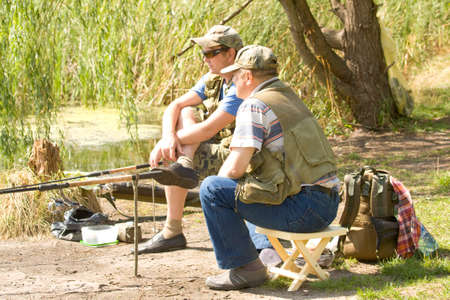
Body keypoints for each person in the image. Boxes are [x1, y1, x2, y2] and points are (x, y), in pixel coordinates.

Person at [199, 45, 340, 290]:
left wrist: (217, 198)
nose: (230, 84)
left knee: (212, 189)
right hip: (327, 205)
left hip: (304, 210)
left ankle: (247, 269)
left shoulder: (254, 105)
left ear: (247, 76)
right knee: (248, 189)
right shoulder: (288, 96)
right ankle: (261, 253)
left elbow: (233, 169)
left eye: (233, 78)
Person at [135, 25, 244, 254]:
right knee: (185, 112)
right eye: (203, 53)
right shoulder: (214, 79)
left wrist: (164, 145)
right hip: (221, 147)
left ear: (231, 54)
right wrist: (167, 137)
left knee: (172, 155)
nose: (205, 59)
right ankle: (183, 165)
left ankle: (172, 230)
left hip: (241, 156)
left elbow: (207, 130)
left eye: (211, 52)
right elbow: (174, 105)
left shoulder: (241, 84)